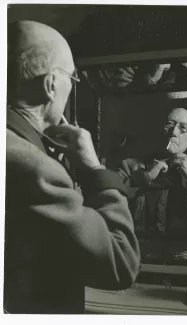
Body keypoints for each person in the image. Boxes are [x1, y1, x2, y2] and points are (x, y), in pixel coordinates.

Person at [5, 21, 140, 314]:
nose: (72, 87)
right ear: (52, 84)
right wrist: (93, 168)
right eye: (72, 78)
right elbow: (121, 262)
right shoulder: (32, 168)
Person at [117, 107, 187, 237]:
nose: (174, 132)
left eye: (184, 128)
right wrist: (146, 176)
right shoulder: (131, 165)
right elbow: (113, 202)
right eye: (170, 124)